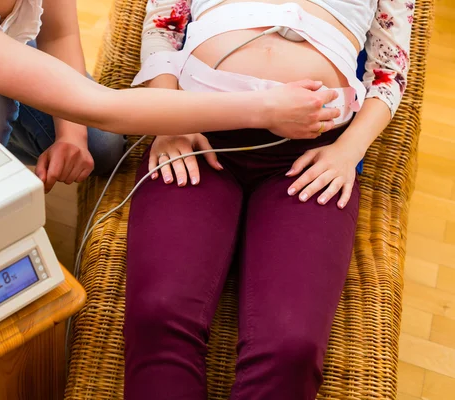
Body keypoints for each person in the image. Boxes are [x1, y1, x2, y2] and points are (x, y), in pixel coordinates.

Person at [124, 0, 412, 398]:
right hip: (196, 130)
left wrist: (349, 151)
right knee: (159, 314)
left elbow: (388, 71)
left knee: (291, 347)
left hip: (309, 155)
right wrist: (167, 117)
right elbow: (163, 26)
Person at [0, 0, 338, 192]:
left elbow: (60, 34)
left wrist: (74, 139)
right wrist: (265, 106)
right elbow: (101, 103)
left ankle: (4, 154)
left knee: (103, 144)